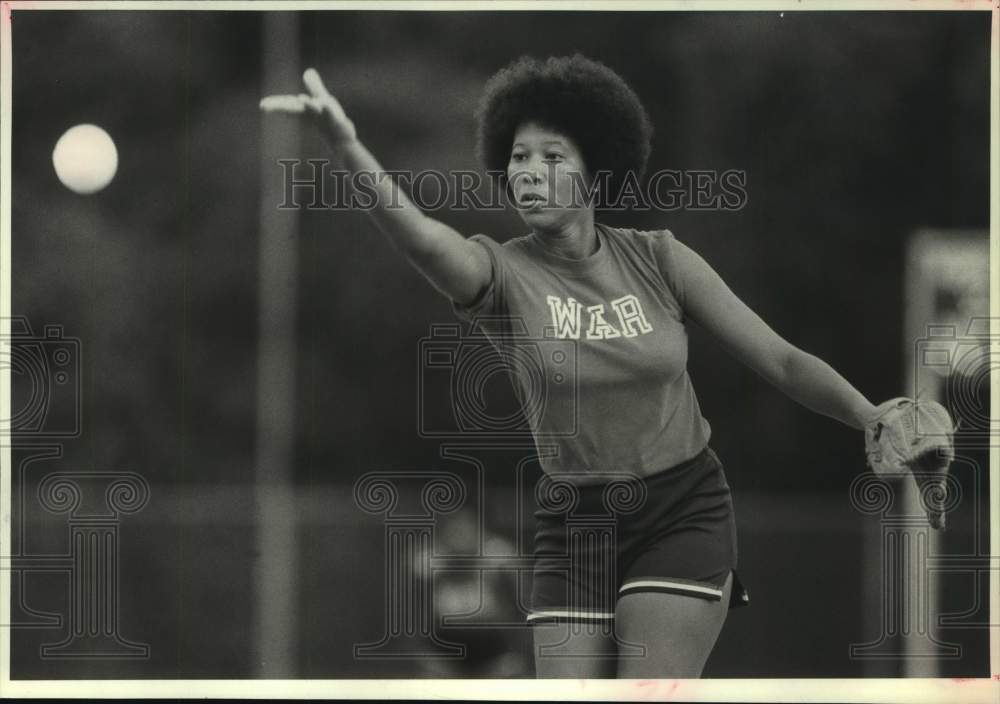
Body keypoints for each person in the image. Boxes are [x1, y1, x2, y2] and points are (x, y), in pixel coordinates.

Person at [261, 55, 881, 678]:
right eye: (521, 158)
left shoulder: (659, 259)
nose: (530, 172)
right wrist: (347, 146)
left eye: (553, 158)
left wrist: (871, 416)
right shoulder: (502, 272)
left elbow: (781, 359)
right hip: (573, 522)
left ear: (595, 172)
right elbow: (423, 240)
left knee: (646, 692)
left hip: (679, 510)